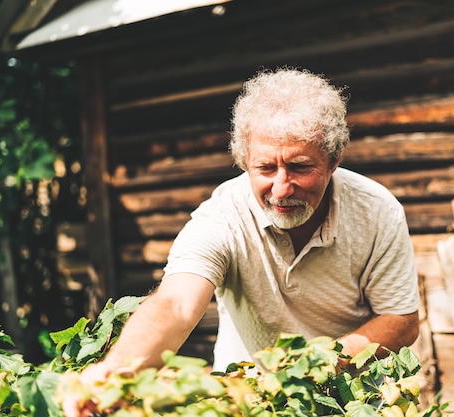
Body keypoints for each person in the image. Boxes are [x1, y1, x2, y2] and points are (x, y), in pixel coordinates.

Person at [62, 67, 420, 417]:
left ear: (333, 161)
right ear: (243, 162)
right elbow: (175, 304)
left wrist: (318, 362)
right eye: (265, 168)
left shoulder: (376, 211)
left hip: (349, 399)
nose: (281, 188)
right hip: (246, 400)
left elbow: (402, 319)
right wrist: (117, 369)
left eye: (299, 167)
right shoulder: (222, 216)